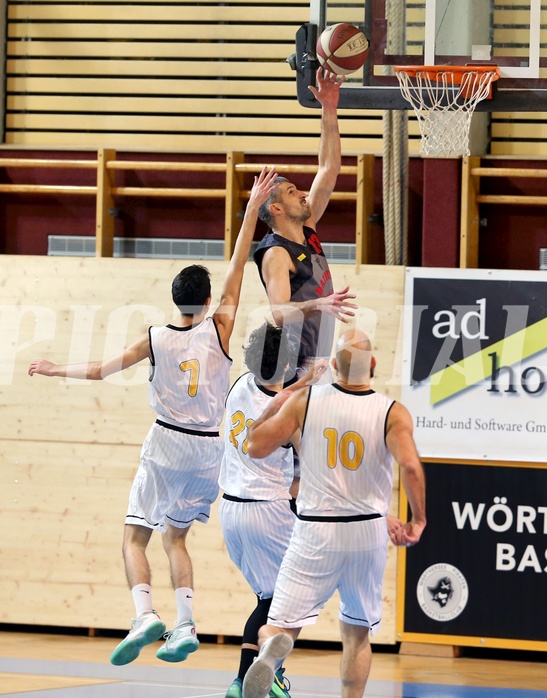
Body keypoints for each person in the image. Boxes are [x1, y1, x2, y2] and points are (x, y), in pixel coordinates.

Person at [28, 167, 280, 667]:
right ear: (208, 302)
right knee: (176, 537)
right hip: (210, 452)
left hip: (166, 444)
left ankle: (145, 614)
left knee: (134, 535)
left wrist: (55, 367)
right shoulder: (221, 330)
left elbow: (100, 370)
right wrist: (252, 207)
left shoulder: (153, 338)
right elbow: (236, 264)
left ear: (174, 300)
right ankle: (185, 623)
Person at [242, 329, 427, 698]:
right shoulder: (392, 411)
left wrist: (284, 397)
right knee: (357, 634)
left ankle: (270, 649)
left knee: (278, 625)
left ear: (335, 368)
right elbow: (410, 467)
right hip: (367, 533)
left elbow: (254, 446)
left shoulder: (306, 402)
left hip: (315, 531)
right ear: (372, 365)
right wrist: (418, 520)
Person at [219, 322, 327, 698]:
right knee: (286, 598)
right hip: (267, 509)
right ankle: (251, 676)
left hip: (230, 510)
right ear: (284, 368)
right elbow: (309, 456)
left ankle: (257, 677)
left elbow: (272, 394)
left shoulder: (238, 386)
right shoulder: (286, 410)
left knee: (268, 598)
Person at [254, 68, 357, 378]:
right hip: (296, 365)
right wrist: (319, 304)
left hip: (320, 359)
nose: (301, 194)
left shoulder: (306, 226)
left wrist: (329, 107)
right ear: (276, 209)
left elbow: (329, 168)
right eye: (291, 192)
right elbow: (279, 312)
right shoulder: (276, 253)